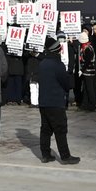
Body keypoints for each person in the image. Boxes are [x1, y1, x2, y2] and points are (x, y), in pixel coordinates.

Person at [34, 36, 79, 165]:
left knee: (45, 129)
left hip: (44, 101)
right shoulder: (57, 65)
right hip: (56, 101)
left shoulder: (42, 64)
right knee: (60, 129)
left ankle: (45, 154)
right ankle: (65, 156)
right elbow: (66, 83)